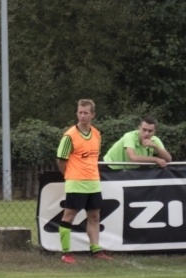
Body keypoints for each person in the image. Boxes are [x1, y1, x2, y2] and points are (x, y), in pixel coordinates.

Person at [56, 99, 113, 264]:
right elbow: (61, 160)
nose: (82, 116)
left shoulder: (96, 134)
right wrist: (70, 175)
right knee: (69, 216)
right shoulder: (69, 136)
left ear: (93, 115)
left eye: (86, 113)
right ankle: (66, 253)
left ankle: (95, 249)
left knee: (94, 216)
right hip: (76, 182)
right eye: (80, 112)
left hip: (93, 182)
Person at [103, 117, 172, 170]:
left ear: (154, 131)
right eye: (144, 130)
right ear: (139, 128)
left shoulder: (155, 140)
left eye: (150, 131)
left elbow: (168, 159)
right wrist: (156, 159)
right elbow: (133, 158)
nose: (146, 133)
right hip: (110, 166)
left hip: (129, 169)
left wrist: (155, 147)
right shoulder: (129, 136)